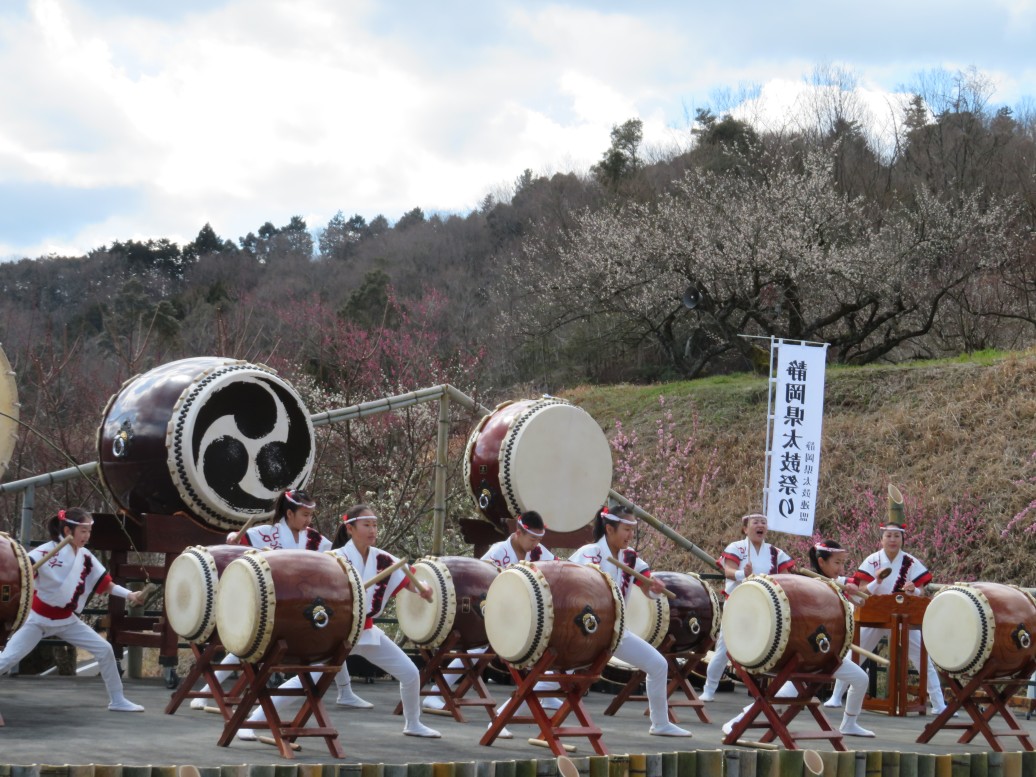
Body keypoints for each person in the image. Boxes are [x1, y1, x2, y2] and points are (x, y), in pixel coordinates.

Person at [238, 504, 441, 739]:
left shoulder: (383, 559)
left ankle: (413, 723)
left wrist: (423, 590)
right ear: (350, 529)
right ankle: (251, 722)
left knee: (410, 673)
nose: (372, 530)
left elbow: (409, 578)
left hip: (366, 631)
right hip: (338, 633)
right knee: (305, 681)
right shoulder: (334, 559)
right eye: (366, 525)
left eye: (374, 525)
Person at [192, 488, 338, 709]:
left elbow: (329, 559)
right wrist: (233, 539)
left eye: (310, 515)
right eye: (304, 515)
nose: (309, 520)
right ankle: (207, 692)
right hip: (267, 600)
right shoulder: (266, 533)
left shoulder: (315, 539)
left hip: (297, 603)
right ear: (289, 514)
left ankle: (344, 692)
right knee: (246, 645)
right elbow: (239, 544)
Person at [719, 539, 874, 738]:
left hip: (824, 655)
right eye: (837, 562)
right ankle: (737, 722)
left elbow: (861, 598)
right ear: (821, 562)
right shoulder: (804, 584)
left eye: (843, 563)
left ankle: (849, 723)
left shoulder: (837, 585)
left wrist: (854, 592)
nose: (841, 568)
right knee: (784, 695)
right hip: (801, 654)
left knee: (860, 678)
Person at [422, 510, 557, 732]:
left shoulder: (538, 551)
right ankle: (438, 690)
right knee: (480, 648)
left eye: (539, 539)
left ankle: (548, 692)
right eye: (532, 539)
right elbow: (479, 581)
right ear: (519, 532)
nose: (536, 544)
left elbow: (554, 568)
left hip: (520, 612)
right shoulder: (498, 552)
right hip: (492, 609)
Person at [0, 507, 145, 713]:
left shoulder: (85, 556)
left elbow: (105, 584)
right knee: (7, 659)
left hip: (67, 620)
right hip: (38, 619)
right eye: (83, 531)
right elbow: (19, 577)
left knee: (104, 650)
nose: (87, 536)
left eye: (88, 531)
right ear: (68, 531)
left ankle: (118, 699)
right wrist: (25, 573)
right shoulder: (42, 553)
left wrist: (130, 595)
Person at [569, 505, 692, 737]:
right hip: (586, 631)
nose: (629, 535)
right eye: (626, 529)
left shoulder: (630, 557)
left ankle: (660, 723)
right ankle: (503, 718)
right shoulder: (591, 553)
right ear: (609, 528)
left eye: (632, 530)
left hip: (616, 631)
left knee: (658, 665)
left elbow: (647, 586)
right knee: (554, 677)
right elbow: (573, 586)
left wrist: (654, 587)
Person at [826, 517, 948, 714]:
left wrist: (913, 591)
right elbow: (861, 589)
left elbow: (922, 590)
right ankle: (836, 696)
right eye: (888, 536)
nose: (892, 539)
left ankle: (938, 703)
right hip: (874, 613)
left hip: (904, 616)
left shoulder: (911, 562)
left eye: (896, 536)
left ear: (902, 539)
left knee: (922, 659)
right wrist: (877, 580)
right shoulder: (872, 560)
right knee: (854, 654)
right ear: (882, 539)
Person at [700, 512, 795, 702]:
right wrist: (742, 574)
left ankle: (771, 690)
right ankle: (709, 688)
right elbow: (727, 570)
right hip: (737, 603)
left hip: (766, 607)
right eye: (756, 522)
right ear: (745, 528)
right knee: (724, 647)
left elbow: (787, 577)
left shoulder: (776, 552)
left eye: (764, 522)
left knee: (771, 646)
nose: (761, 525)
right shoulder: (737, 547)